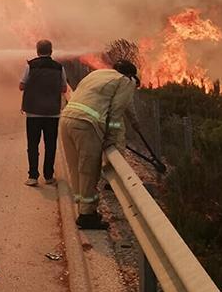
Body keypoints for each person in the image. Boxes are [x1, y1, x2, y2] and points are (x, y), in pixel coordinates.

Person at [60, 60, 141, 230]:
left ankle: (83, 208)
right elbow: (117, 111)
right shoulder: (125, 81)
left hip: (67, 119)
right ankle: (87, 216)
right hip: (86, 125)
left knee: (76, 169)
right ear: (130, 75)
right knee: (89, 171)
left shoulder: (97, 74)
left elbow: (126, 107)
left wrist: (134, 122)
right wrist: (111, 137)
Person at [20, 39, 68, 186]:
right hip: (52, 113)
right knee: (50, 145)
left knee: (33, 145)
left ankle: (33, 176)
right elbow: (64, 89)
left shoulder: (30, 66)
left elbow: (22, 86)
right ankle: (49, 176)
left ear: (37, 50)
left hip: (33, 113)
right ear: (51, 51)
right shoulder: (59, 68)